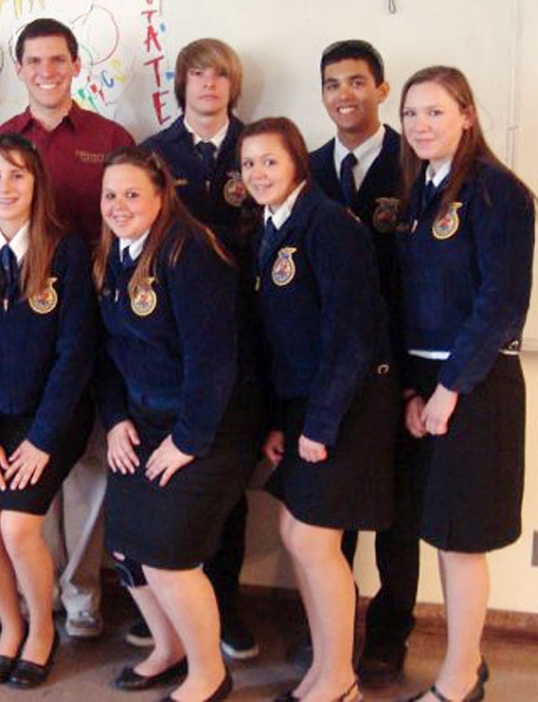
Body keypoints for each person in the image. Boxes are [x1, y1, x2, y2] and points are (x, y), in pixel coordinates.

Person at [238, 117, 396, 702]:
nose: (257, 174)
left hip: (349, 402)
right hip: (307, 404)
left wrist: (322, 424)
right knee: (293, 529)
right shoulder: (272, 228)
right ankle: (326, 669)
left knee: (311, 540)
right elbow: (285, 339)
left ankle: (339, 678)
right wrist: (284, 423)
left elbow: (350, 335)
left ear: (298, 165)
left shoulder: (329, 226)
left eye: (269, 162)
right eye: (248, 163)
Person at [0, 17, 134, 638]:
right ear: (20, 70)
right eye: (34, 62)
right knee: (32, 465)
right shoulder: (1, 139)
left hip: (100, 312)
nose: (46, 72)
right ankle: (36, 589)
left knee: (87, 469)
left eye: (58, 60)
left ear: (77, 66)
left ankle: (80, 593)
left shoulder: (111, 136)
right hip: (22, 324)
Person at [397, 66, 534, 702]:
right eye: (411, 114)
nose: (421, 125)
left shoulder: (497, 192)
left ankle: (458, 679)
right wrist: (412, 391)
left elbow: (501, 303)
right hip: (428, 381)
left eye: (435, 112)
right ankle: (466, 662)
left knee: (461, 539)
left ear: (467, 115)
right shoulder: (421, 189)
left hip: (474, 384)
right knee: (440, 532)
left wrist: (449, 390)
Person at [94, 146, 241, 701]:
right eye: (111, 195)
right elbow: (107, 354)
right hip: (142, 420)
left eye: (133, 194)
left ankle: (210, 673)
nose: (119, 205)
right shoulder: (111, 255)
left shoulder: (189, 251)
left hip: (205, 425)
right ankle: (168, 646)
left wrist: (188, 440)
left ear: (161, 196)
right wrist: (113, 422)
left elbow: (214, 360)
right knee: (127, 548)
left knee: (168, 555)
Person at [0, 133, 95, 687]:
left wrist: (42, 438)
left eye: (17, 175)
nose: (4, 187)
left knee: (17, 528)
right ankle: (9, 626)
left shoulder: (67, 251)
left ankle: (41, 629)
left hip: (52, 420)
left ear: (37, 183)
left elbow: (74, 355)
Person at [140, 37, 265, 661]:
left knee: (225, 483)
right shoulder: (155, 154)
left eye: (220, 75)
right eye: (197, 74)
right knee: (169, 477)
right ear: (181, 84)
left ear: (232, 86)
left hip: (248, 333)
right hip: (167, 338)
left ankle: (227, 605)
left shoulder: (256, 148)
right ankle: (166, 606)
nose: (209, 85)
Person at [307, 39, 420, 684]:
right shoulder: (310, 167)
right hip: (330, 373)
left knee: (396, 515)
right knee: (332, 516)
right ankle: (332, 633)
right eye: (331, 84)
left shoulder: (415, 164)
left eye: (356, 82)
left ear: (382, 89)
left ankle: (388, 634)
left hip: (398, 369)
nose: (343, 94)